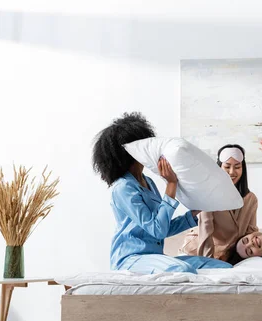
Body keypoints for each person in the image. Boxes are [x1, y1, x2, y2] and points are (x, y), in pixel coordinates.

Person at [92, 112, 232, 274]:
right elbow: (157, 230)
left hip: (153, 256)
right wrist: (171, 185)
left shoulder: (148, 182)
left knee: (219, 266)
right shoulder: (123, 188)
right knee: (181, 269)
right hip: (131, 259)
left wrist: (194, 213)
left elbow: (162, 227)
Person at [181, 144, 258, 261]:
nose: (232, 172)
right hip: (197, 251)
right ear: (219, 167)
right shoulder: (208, 195)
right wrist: (208, 263)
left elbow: (250, 233)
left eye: (237, 167)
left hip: (228, 256)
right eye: (227, 167)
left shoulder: (251, 199)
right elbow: (206, 232)